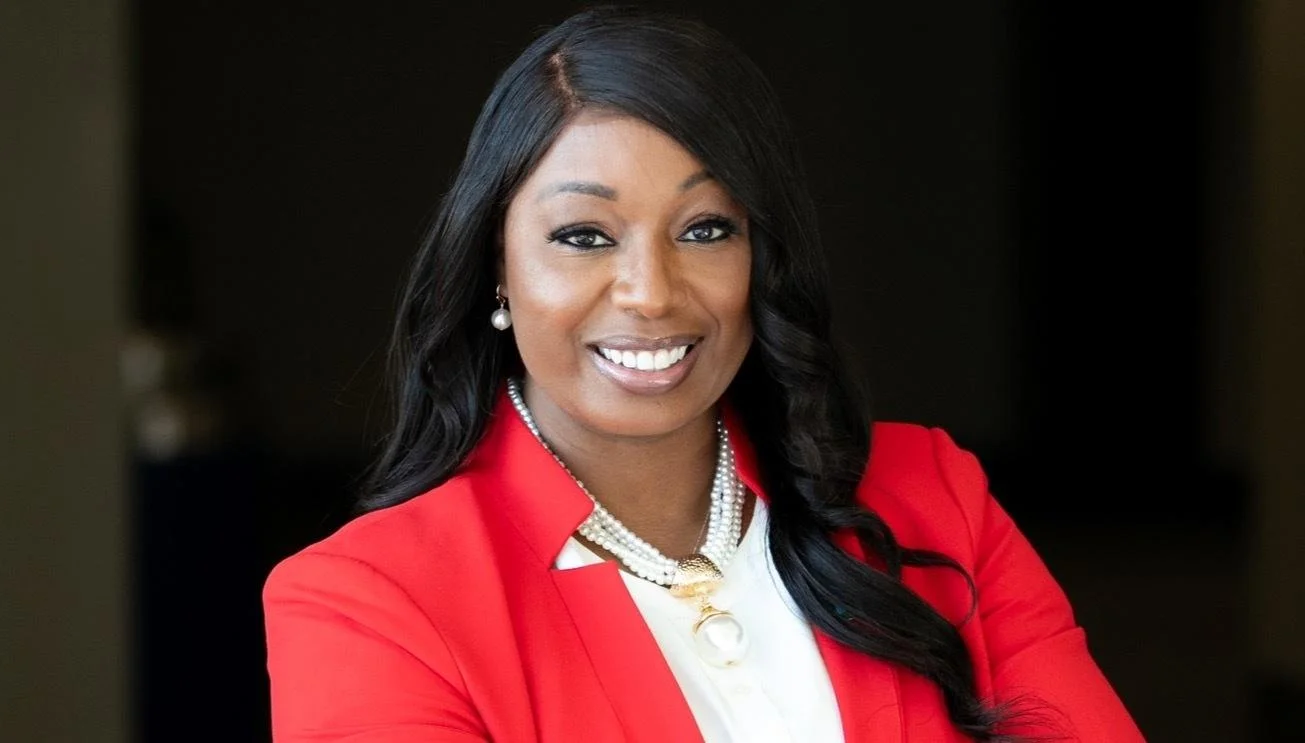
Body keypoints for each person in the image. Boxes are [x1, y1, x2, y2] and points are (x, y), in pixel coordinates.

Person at [262, 6, 1144, 742]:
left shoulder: (932, 499)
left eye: (705, 229)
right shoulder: (371, 602)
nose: (650, 293)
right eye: (583, 236)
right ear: (496, 266)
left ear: (762, 255)